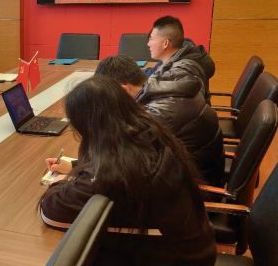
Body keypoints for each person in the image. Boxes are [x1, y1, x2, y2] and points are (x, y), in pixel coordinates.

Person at [40, 75, 216, 266]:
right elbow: (108, 173)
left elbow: (51, 210)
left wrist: (64, 183)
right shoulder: (149, 134)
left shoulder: (119, 174)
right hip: (191, 254)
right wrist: (78, 168)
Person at [96, 54, 224, 186]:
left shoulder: (157, 114)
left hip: (194, 188)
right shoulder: (166, 88)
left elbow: (125, 163)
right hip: (201, 173)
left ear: (123, 89)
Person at [146, 15, 215, 102]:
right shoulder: (173, 59)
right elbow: (153, 73)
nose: (148, 44)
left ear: (165, 43)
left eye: (151, 39)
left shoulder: (181, 72)